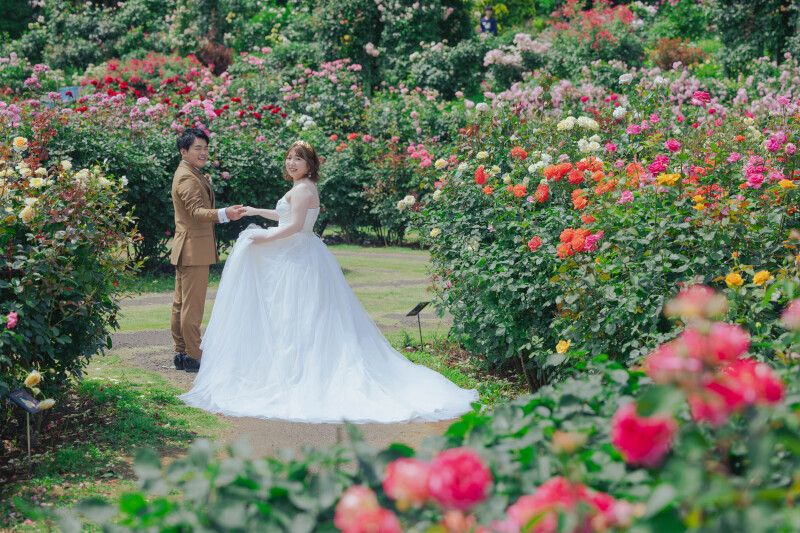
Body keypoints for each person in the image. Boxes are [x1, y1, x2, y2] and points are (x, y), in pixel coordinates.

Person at [179, 140, 478, 423]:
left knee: (304, 315)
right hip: (300, 251)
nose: (292, 162)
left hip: (298, 255)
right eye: (290, 157)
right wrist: (257, 212)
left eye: (299, 159)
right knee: (293, 315)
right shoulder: (300, 187)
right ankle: (288, 367)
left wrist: (263, 235)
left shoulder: (304, 189)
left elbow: (294, 226)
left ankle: (301, 372)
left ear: (310, 165)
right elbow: (286, 216)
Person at [170, 128, 246, 373]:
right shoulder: (187, 177)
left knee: (182, 304)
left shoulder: (191, 172)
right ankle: (193, 355)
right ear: (184, 151)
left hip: (188, 247)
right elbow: (196, 213)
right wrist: (225, 214)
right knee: (191, 306)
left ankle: (182, 352)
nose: (203, 152)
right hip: (193, 249)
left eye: (205, 147)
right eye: (197, 148)